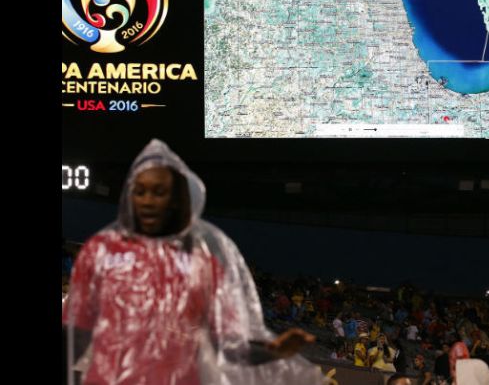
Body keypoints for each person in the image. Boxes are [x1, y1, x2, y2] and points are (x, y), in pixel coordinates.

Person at [62, 139, 325, 385]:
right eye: (139, 191)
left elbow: (226, 345)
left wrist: (274, 351)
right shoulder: (101, 252)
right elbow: (76, 334)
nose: (148, 201)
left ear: (176, 199)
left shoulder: (203, 265)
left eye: (159, 191)